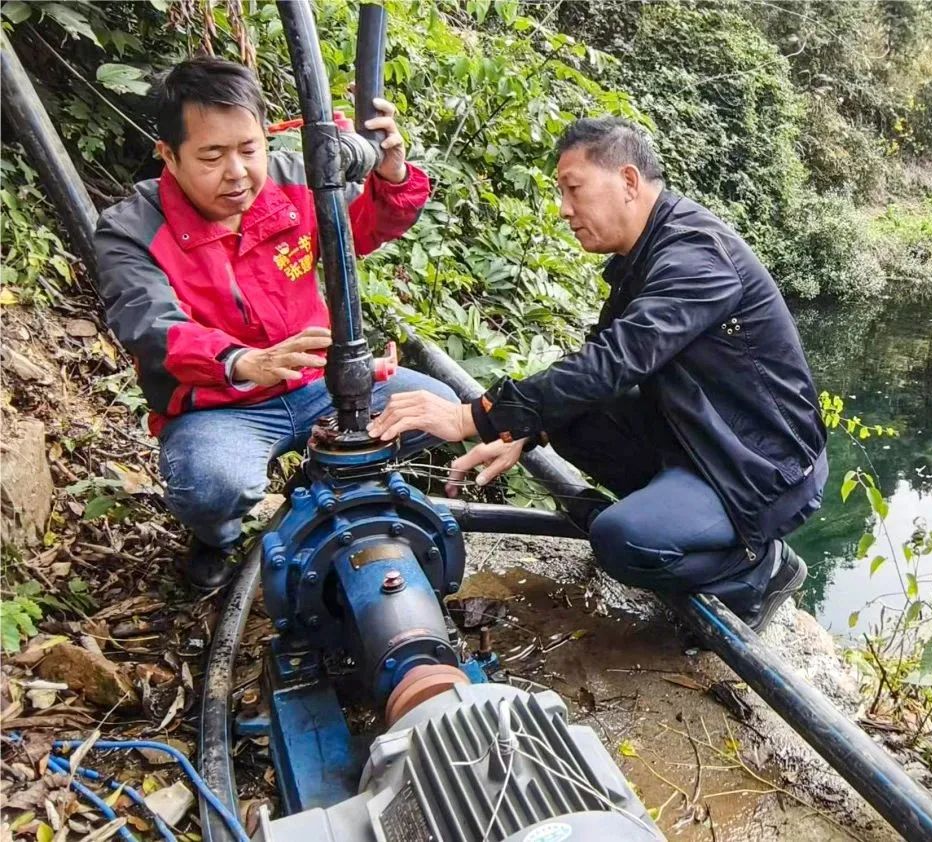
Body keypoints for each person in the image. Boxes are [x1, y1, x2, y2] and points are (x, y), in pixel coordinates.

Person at [367, 117, 828, 631]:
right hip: (702, 436)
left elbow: (614, 362)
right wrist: (524, 431)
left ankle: (759, 570)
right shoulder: (645, 252)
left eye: (574, 189)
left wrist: (471, 417)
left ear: (628, 181)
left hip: (763, 465)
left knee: (619, 540)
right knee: (567, 416)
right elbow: (593, 364)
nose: (564, 209)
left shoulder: (696, 257)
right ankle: (676, 522)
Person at [94, 57, 456, 590]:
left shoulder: (297, 180)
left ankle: (316, 481)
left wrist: (391, 174)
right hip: (218, 404)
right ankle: (217, 538)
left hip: (319, 382)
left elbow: (364, 228)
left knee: (435, 409)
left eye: (249, 149)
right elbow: (148, 324)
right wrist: (243, 361)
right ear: (168, 155)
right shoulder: (130, 229)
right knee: (211, 486)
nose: (237, 172)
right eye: (212, 156)